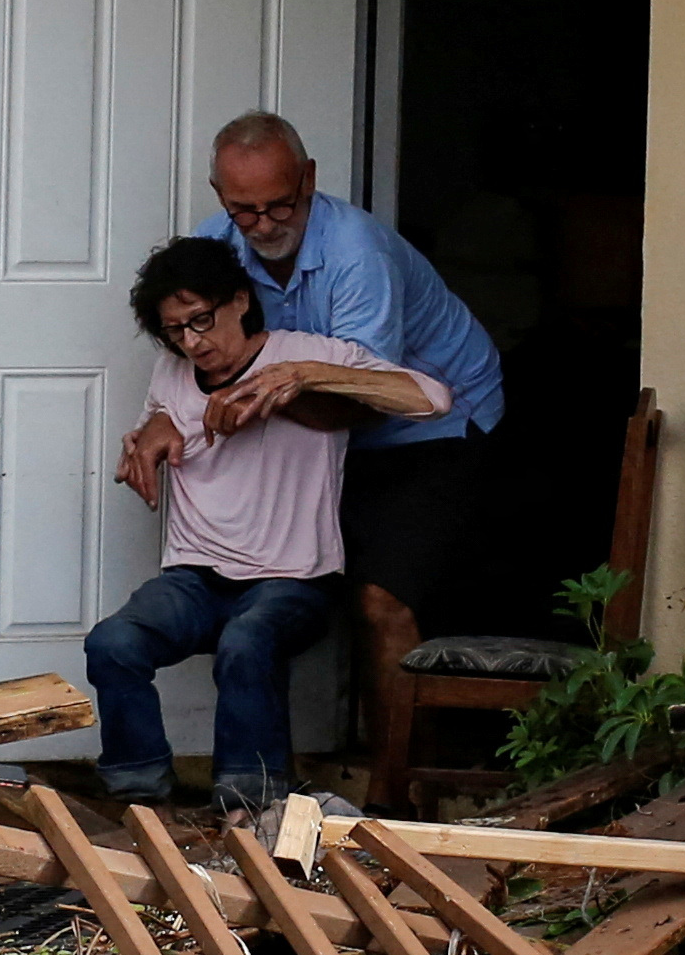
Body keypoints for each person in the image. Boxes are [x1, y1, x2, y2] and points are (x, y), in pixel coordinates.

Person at [113, 111, 509, 777]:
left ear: (310, 180)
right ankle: (265, 779)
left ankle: (393, 792)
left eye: (280, 205)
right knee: (272, 595)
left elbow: (356, 405)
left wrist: (272, 389)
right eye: (245, 211)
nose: (264, 225)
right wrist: (160, 420)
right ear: (219, 197)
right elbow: (186, 356)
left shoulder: (358, 257)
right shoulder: (215, 249)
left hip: (431, 422)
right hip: (323, 425)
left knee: (383, 599)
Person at [86, 236, 450, 818]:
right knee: (113, 642)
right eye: (176, 330)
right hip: (195, 577)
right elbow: (158, 422)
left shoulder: (304, 351)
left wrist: (302, 377)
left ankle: (252, 803)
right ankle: (139, 799)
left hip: (292, 580)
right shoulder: (171, 371)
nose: (194, 343)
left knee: (248, 641)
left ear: (239, 302)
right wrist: (152, 429)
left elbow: (431, 398)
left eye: (202, 321)